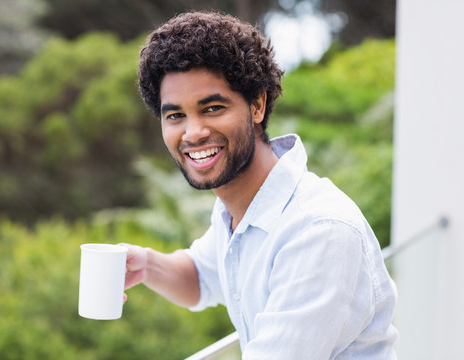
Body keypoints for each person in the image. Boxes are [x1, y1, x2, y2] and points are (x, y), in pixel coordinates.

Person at [122, 11, 398, 359]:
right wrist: (145, 264)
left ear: (257, 104)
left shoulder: (317, 230)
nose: (192, 133)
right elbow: (200, 278)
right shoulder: (239, 205)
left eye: (212, 108)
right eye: (175, 115)